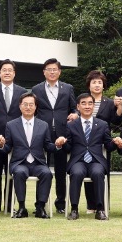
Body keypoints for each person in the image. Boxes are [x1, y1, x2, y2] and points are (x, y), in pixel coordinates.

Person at [56, 93, 117, 221]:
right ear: (78, 106)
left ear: (94, 106)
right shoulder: (71, 125)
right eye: (83, 103)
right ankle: (74, 209)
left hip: (96, 160)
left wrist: (116, 143)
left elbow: (108, 146)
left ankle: (100, 209)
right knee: (77, 173)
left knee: (98, 173)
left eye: (90, 103)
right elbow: (68, 148)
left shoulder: (102, 124)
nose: (87, 106)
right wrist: (63, 143)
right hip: (78, 160)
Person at [0, 92, 56, 218]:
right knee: (19, 173)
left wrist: (58, 145)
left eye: (31, 104)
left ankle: (40, 207)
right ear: (20, 106)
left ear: (35, 107)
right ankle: (22, 207)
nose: (28, 107)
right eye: (25, 104)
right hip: (19, 162)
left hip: (37, 163)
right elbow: (7, 148)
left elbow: (48, 146)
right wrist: (1, 144)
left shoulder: (43, 125)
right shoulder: (11, 125)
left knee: (46, 173)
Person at [32, 58, 78, 213]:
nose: (52, 72)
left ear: (59, 72)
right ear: (44, 72)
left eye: (54, 69)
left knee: (60, 169)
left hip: (62, 133)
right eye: (48, 69)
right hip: (41, 133)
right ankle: (40, 203)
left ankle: (60, 203)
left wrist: (75, 114)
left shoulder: (68, 88)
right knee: (41, 168)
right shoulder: (36, 89)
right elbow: (33, 110)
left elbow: (74, 108)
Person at [0, 59, 26, 213]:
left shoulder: (22, 92)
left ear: (14, 73)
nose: (7, 72)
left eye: (10, 70)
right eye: (4, 70)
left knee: (11, 172)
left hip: (15, 137)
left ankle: (9, 204)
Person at [83, 70, 121, 214]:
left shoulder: (110, 102)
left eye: (100, 82)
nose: (97, 85)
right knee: (86, 170)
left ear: (104, 85)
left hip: (103, 143)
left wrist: (119, 108)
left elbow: (117, 121)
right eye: (94, 82)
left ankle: (103, 203)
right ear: (89, 85)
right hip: (85, 141)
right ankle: (90, 205)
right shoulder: (83, 100)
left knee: (103, 173)